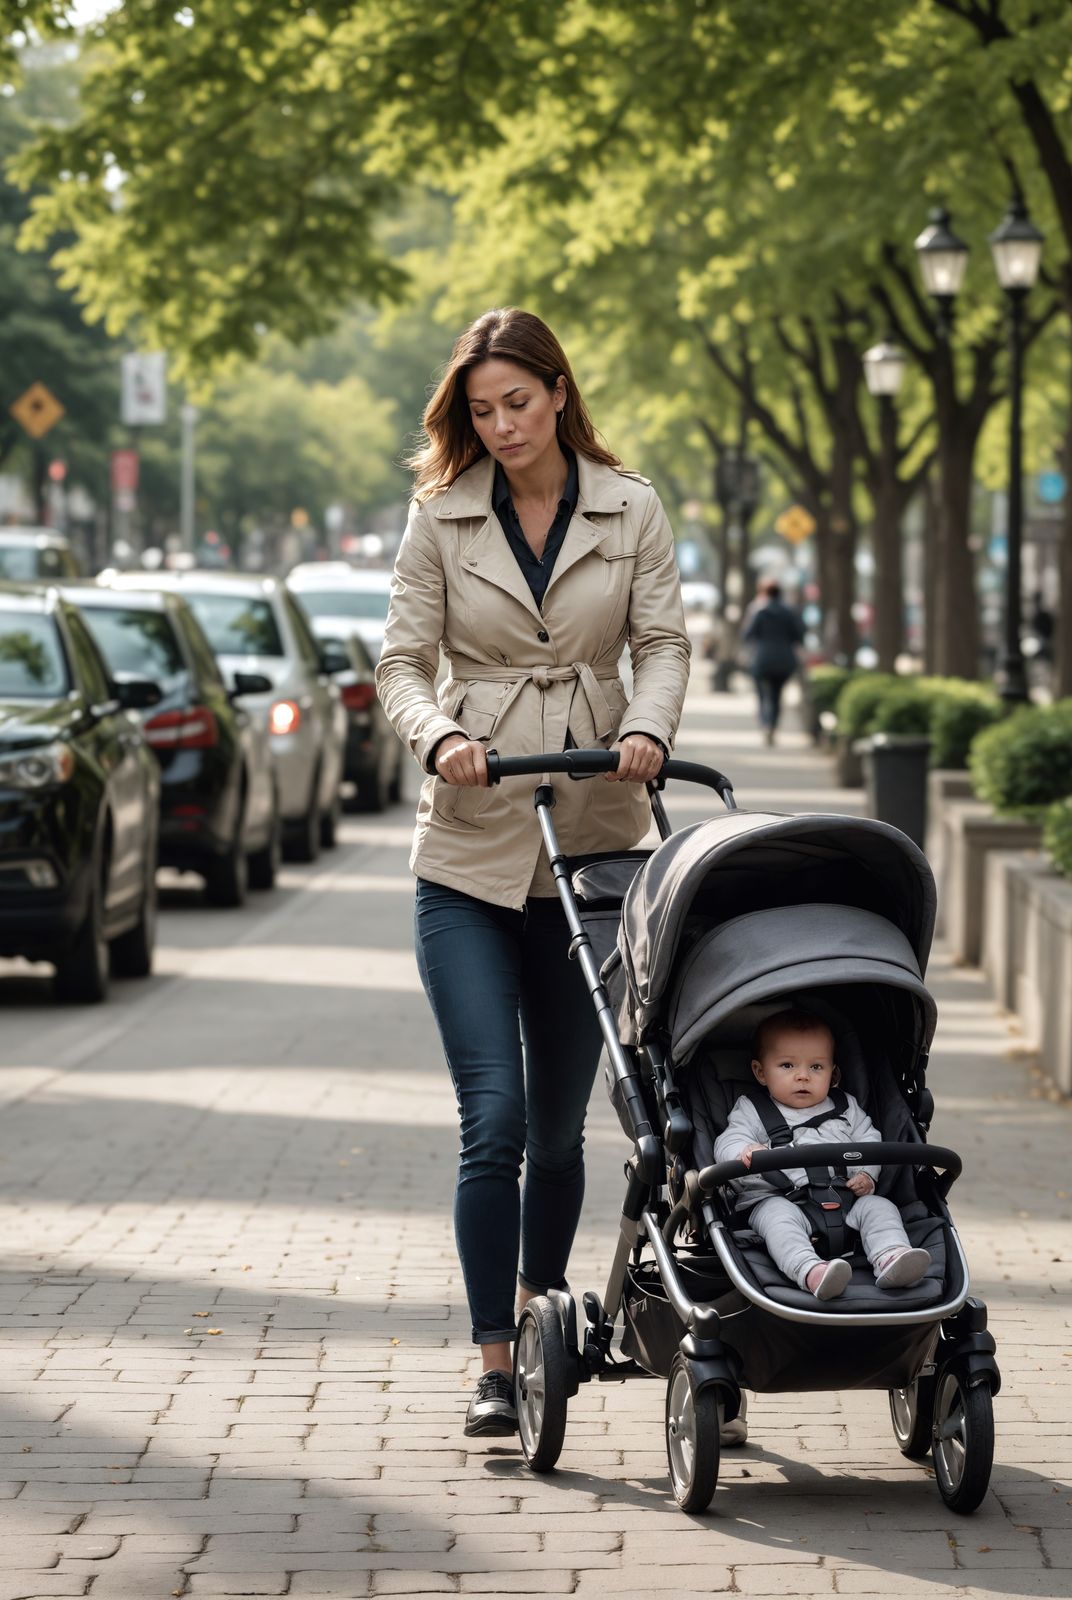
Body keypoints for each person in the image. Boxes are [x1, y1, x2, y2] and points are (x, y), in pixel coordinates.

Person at [376, 307, 691, 1436]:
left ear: (559, 393)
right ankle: (493, 1362)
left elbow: (660, 642)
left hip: (598, 837)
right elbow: (402, 660)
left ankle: (540, 1317)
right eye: (480, 409)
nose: (501, 426)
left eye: (517, 402)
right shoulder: (439, 518)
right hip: (467, 844)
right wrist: (436, 737)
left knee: (561, 1126)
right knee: (493, 1120)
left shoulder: (631, 505)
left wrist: (648, 723)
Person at [714, 1009, 931, 1300]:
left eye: (816, 1067)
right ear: (760, 1072)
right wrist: (744, 1150)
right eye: (787, 1065)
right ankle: (811, 1271)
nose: (803, 1076)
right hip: (779, 1198)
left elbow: (869, 1140)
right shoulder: (752, 1108)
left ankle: (892, 1257)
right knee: (778, 1220)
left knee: (879, 1207)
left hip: (845, 1202)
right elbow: (729, 1139)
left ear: (834, 1073)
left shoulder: (845, 1106)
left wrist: (866, 1173)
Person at [740, 578, 805, 745]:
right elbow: (799, 635)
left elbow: (747, 635)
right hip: (784, 660)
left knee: (762, 694)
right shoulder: (789, 612)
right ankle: (773, 725)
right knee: (777, 695)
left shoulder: (760, 612)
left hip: (762, 659)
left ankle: (765, 722)